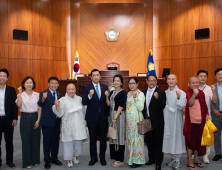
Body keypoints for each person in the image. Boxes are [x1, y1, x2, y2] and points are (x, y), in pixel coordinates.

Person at [52, 83, 87, 167]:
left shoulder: (79, 99)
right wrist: (57, 106)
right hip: (68, 124)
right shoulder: (62, 100)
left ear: (75, 90)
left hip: (79, 124)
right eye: (69, 89)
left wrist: (85, 122)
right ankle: (69, 159)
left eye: (73, 89)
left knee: (78, 142)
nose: (71, 91)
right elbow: (59, 114)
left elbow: (84, 111)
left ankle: (75, 156)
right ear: (66, 90)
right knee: (68, 143)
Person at [82, 69, 109, 166]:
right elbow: (84, 102)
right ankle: (93, 158)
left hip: (103, 117)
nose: (96, 77)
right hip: (91, 118)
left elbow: (107, 103)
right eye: (94, 75)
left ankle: (102, 157)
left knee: (103, 139)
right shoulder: (87, 87)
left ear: (100, 77)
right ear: (91, 77)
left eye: (97, 75)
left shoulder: (104, 87)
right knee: (92, 139)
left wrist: (108, 116)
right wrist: (89, 95)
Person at [16, 76, 42, 169]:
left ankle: (35, 160)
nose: (29, 84)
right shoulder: (21, 95)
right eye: (27, 82)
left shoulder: (38, 95)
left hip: (35, 116)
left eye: (30, 82)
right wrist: (19, 93)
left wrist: (38, 120)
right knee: (26, 140)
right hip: (25, 117)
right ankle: (27, 162)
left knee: (36, 139)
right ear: (24, 84)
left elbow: (39, 108)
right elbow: (19, 105)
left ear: (33, 84)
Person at [184, 77, 209, 170]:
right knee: (191, 142)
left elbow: (204, 105)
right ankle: (189, 161)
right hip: (191, 122)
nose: (195, 84)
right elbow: (189, 104)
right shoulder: (187, 93)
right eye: (193, 83)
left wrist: (207, 114)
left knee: (198, 141)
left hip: (201, 121)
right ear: (189, 84)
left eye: (197, 82)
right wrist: (194, 95)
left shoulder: (201, 92)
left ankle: (196, 159)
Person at [142, 75, 166, 170]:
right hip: (146, 120)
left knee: (158, 142)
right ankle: (151, 158)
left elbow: (163, 106)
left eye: (154, 81)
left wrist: (157, 98)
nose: (152, 82)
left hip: (157, 121)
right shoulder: (143, 91)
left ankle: (158, 162)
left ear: (156, 82)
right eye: (150, 80)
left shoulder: (161, 92)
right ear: (147, 81)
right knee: (149, 141)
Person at [38, 77, 63, 169]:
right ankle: (47, 160)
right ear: (48, 84)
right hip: (47, 122)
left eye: (56, 83)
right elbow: (40, 104)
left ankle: (54, 158)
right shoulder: (43, 93)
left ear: (58, 84)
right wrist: (43, 99)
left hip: (57, 121)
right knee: (47, 141)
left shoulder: (60, 94)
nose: (54, 85)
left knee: (56, 141)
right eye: (52, 83)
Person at [162, 74, 186, 170]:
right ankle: (173, 158)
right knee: (170, 138)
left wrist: (179, 97)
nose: (171, 81)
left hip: (176, 119)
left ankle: (178, 160)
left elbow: (182, 106)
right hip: (167, 119)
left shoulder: (181, 92)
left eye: (173, 79)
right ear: (167, 80)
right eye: (169, 79)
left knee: (177, 138)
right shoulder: (165, 92)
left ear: (176, 80)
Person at [105, 75, 127, 167]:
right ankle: (115, 157)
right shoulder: (113, 92)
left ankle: (120, 160)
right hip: (112, 115)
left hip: (119, 116)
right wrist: (106, 96)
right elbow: (109, 104)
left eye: (118, 81)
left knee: (119, 137)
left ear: (121, 82)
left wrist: (115, 117)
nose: (116, 82)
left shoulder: (123, 92)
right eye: (115, 81)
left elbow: (121, 106)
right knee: (113, 136)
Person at [197, 70, 217, 164]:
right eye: (201, 76)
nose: (203, 78)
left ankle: (206, 156)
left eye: (205, 76)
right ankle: (195, 153)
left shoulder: (210, 88)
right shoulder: (194, 88)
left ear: (207, 78)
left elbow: (214, 101)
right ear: (197, 77)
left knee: (207, 136)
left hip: (207, 116)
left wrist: (213, 91)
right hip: (195, 116)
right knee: (196, 135)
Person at [126, 76, 145, 168]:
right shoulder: (129, 93)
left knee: (137, 140)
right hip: (129, 120)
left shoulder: (140, 93)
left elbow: (141, 108)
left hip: (136, 119)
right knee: (130, 140)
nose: (131, 85)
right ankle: (131, 159)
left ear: (137, 84)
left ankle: (137, 160)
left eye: (133, 83)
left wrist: (136, 98)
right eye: (130, 83)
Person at [0, 68, 18, 169]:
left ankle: (9, 161)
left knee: (9, 142)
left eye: (4, 76)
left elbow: (14, 106)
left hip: (8, 119)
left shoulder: (11, 90)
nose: (2, 78)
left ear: (7, 78)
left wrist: (15, 118)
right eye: (0, 75)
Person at [211, 68, 222, 161]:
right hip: (216, 114)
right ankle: (218, 153)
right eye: (218, 74)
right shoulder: (212, 87)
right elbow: (209, 101)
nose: (220, 76)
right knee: (217, 136)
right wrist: (213, 109)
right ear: (215, 76)